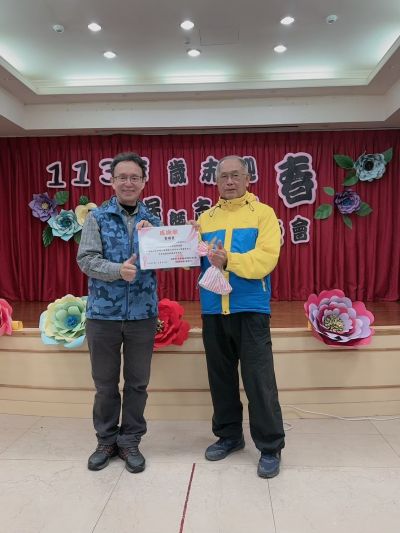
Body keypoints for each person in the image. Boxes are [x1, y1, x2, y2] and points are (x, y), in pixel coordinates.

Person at [197, 155, 285, 478]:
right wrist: (170, 241)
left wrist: (229, 260)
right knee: (220, 379)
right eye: (224, 176)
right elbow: (190, 258)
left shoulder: (264, 214)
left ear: (248, 179)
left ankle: (270, 446)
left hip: (251, 309)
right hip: (213, 309)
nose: (230, 182)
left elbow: (266, 259)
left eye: (236, 175)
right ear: (216, 181)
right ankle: (229, 436)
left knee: (259, 381)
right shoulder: (204, 219)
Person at [77, 152, 160, 473]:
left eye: (134, 177)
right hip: (103, 316)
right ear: (112, 182)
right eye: (122, 177)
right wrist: (117, 270)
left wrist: (186, 238)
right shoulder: (97, 218)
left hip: (142, 315)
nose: (128, 182)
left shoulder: (153, 221)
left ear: (144, 182)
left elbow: (169, 257)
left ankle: (130, 441)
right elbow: (86, 259)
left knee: (138, 384)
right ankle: (106, 441)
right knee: (105, 385)